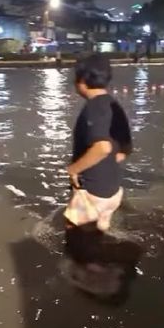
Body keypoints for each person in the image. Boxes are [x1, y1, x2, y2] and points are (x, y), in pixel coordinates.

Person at [66, 54, 131, 232]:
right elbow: (123, 150)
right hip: (113, 190)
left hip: (94, 192)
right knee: (98, 236)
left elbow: (102, 147)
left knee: (76, 237)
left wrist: (74, 169)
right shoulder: (114, 105)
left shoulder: (93, 108)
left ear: (81, 80)